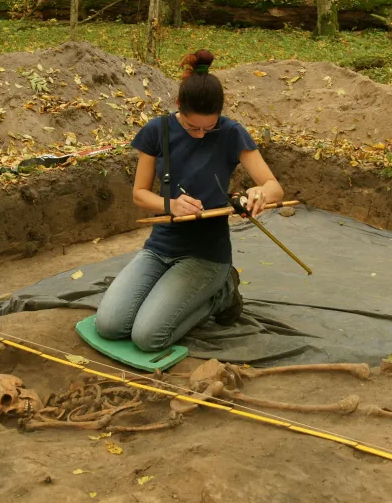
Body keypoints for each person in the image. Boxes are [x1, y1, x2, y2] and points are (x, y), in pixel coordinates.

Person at [95, 49, 285, 352]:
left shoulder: (232, 133)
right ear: (177, 108)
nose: (200, 134)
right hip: (160, 248)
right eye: (192, 127)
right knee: (109, 325)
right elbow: (139, 194)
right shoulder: (157, 131)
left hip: (206, 255)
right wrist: (170, 205)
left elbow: (273, 186)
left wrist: (256, 194)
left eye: (208, 128)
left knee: (148, 337)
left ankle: (221, 294)